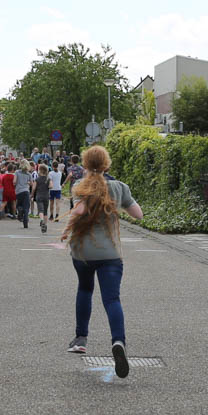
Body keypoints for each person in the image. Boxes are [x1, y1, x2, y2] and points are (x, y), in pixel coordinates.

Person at [61, 145, 142, 375]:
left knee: (85, 289)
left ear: (85, 164)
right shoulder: (119, 187)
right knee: (112, 299)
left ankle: (80, 339)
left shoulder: (80, 186)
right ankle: (118, 341)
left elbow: (78, 212)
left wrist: (67, 230)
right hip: (110, 253)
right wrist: (118, 206)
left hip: (83, 252)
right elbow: (138, 214)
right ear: (107, 164)